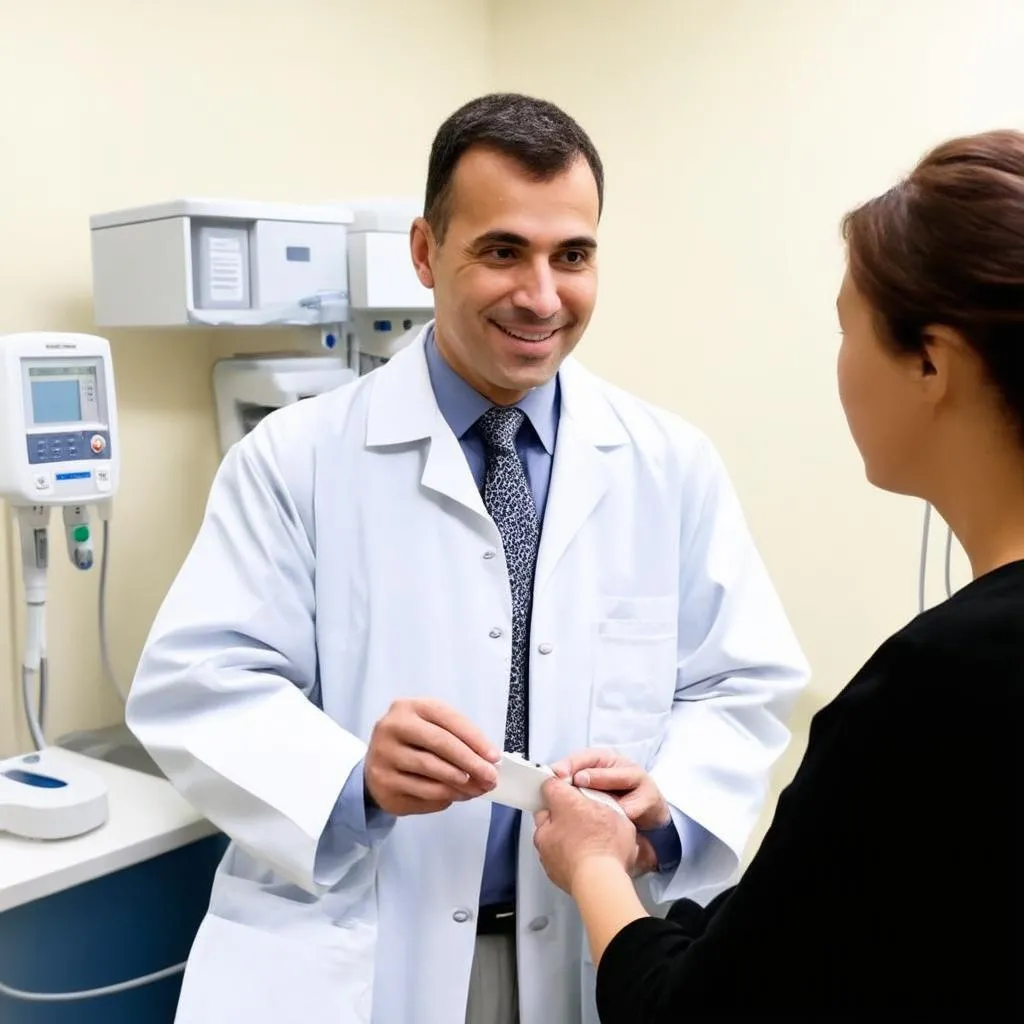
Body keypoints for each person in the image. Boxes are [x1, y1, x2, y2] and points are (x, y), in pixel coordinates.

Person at [124, 92, 809, 1024]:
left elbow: (741, 684)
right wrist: (352, 775)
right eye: (501, 251)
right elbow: (195, 685)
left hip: (584, 954)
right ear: (424, 252)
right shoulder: (295, 459)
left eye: (572, 255)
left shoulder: (668, 463)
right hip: (362, 961)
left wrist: (666, 810)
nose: (541, 295)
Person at [531, 128, 1023, 1022]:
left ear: (930, 362)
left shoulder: (940, 685)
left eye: (847, 327)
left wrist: (596, 862)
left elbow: (698, 1014)